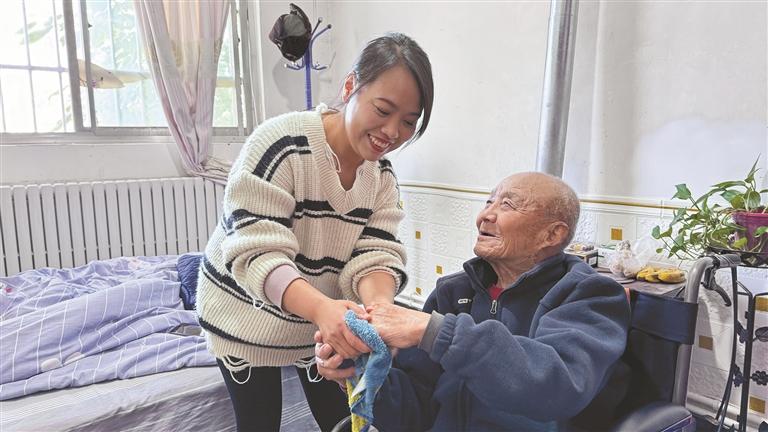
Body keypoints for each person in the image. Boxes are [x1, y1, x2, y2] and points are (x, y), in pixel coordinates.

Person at [196, 32, 434, 432]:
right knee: (259, 423)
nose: (393, 132)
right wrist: (322, 310)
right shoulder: (282, 144)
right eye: (383, 110)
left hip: (318, 323)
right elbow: (258, 252)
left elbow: (376, 255)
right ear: (350, 86)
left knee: (344, 419)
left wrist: (379, 310)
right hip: (245, 315)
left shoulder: (381, 178)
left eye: (409, 122)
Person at [316, 172, 631, 431]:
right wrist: (362, 371)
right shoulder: (453, 292)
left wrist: (434, 331)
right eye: (488, 202)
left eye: (507, 204)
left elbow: (557, 386)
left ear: (551, 235)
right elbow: (415, 414)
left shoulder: (589, 294)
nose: (485, 215)